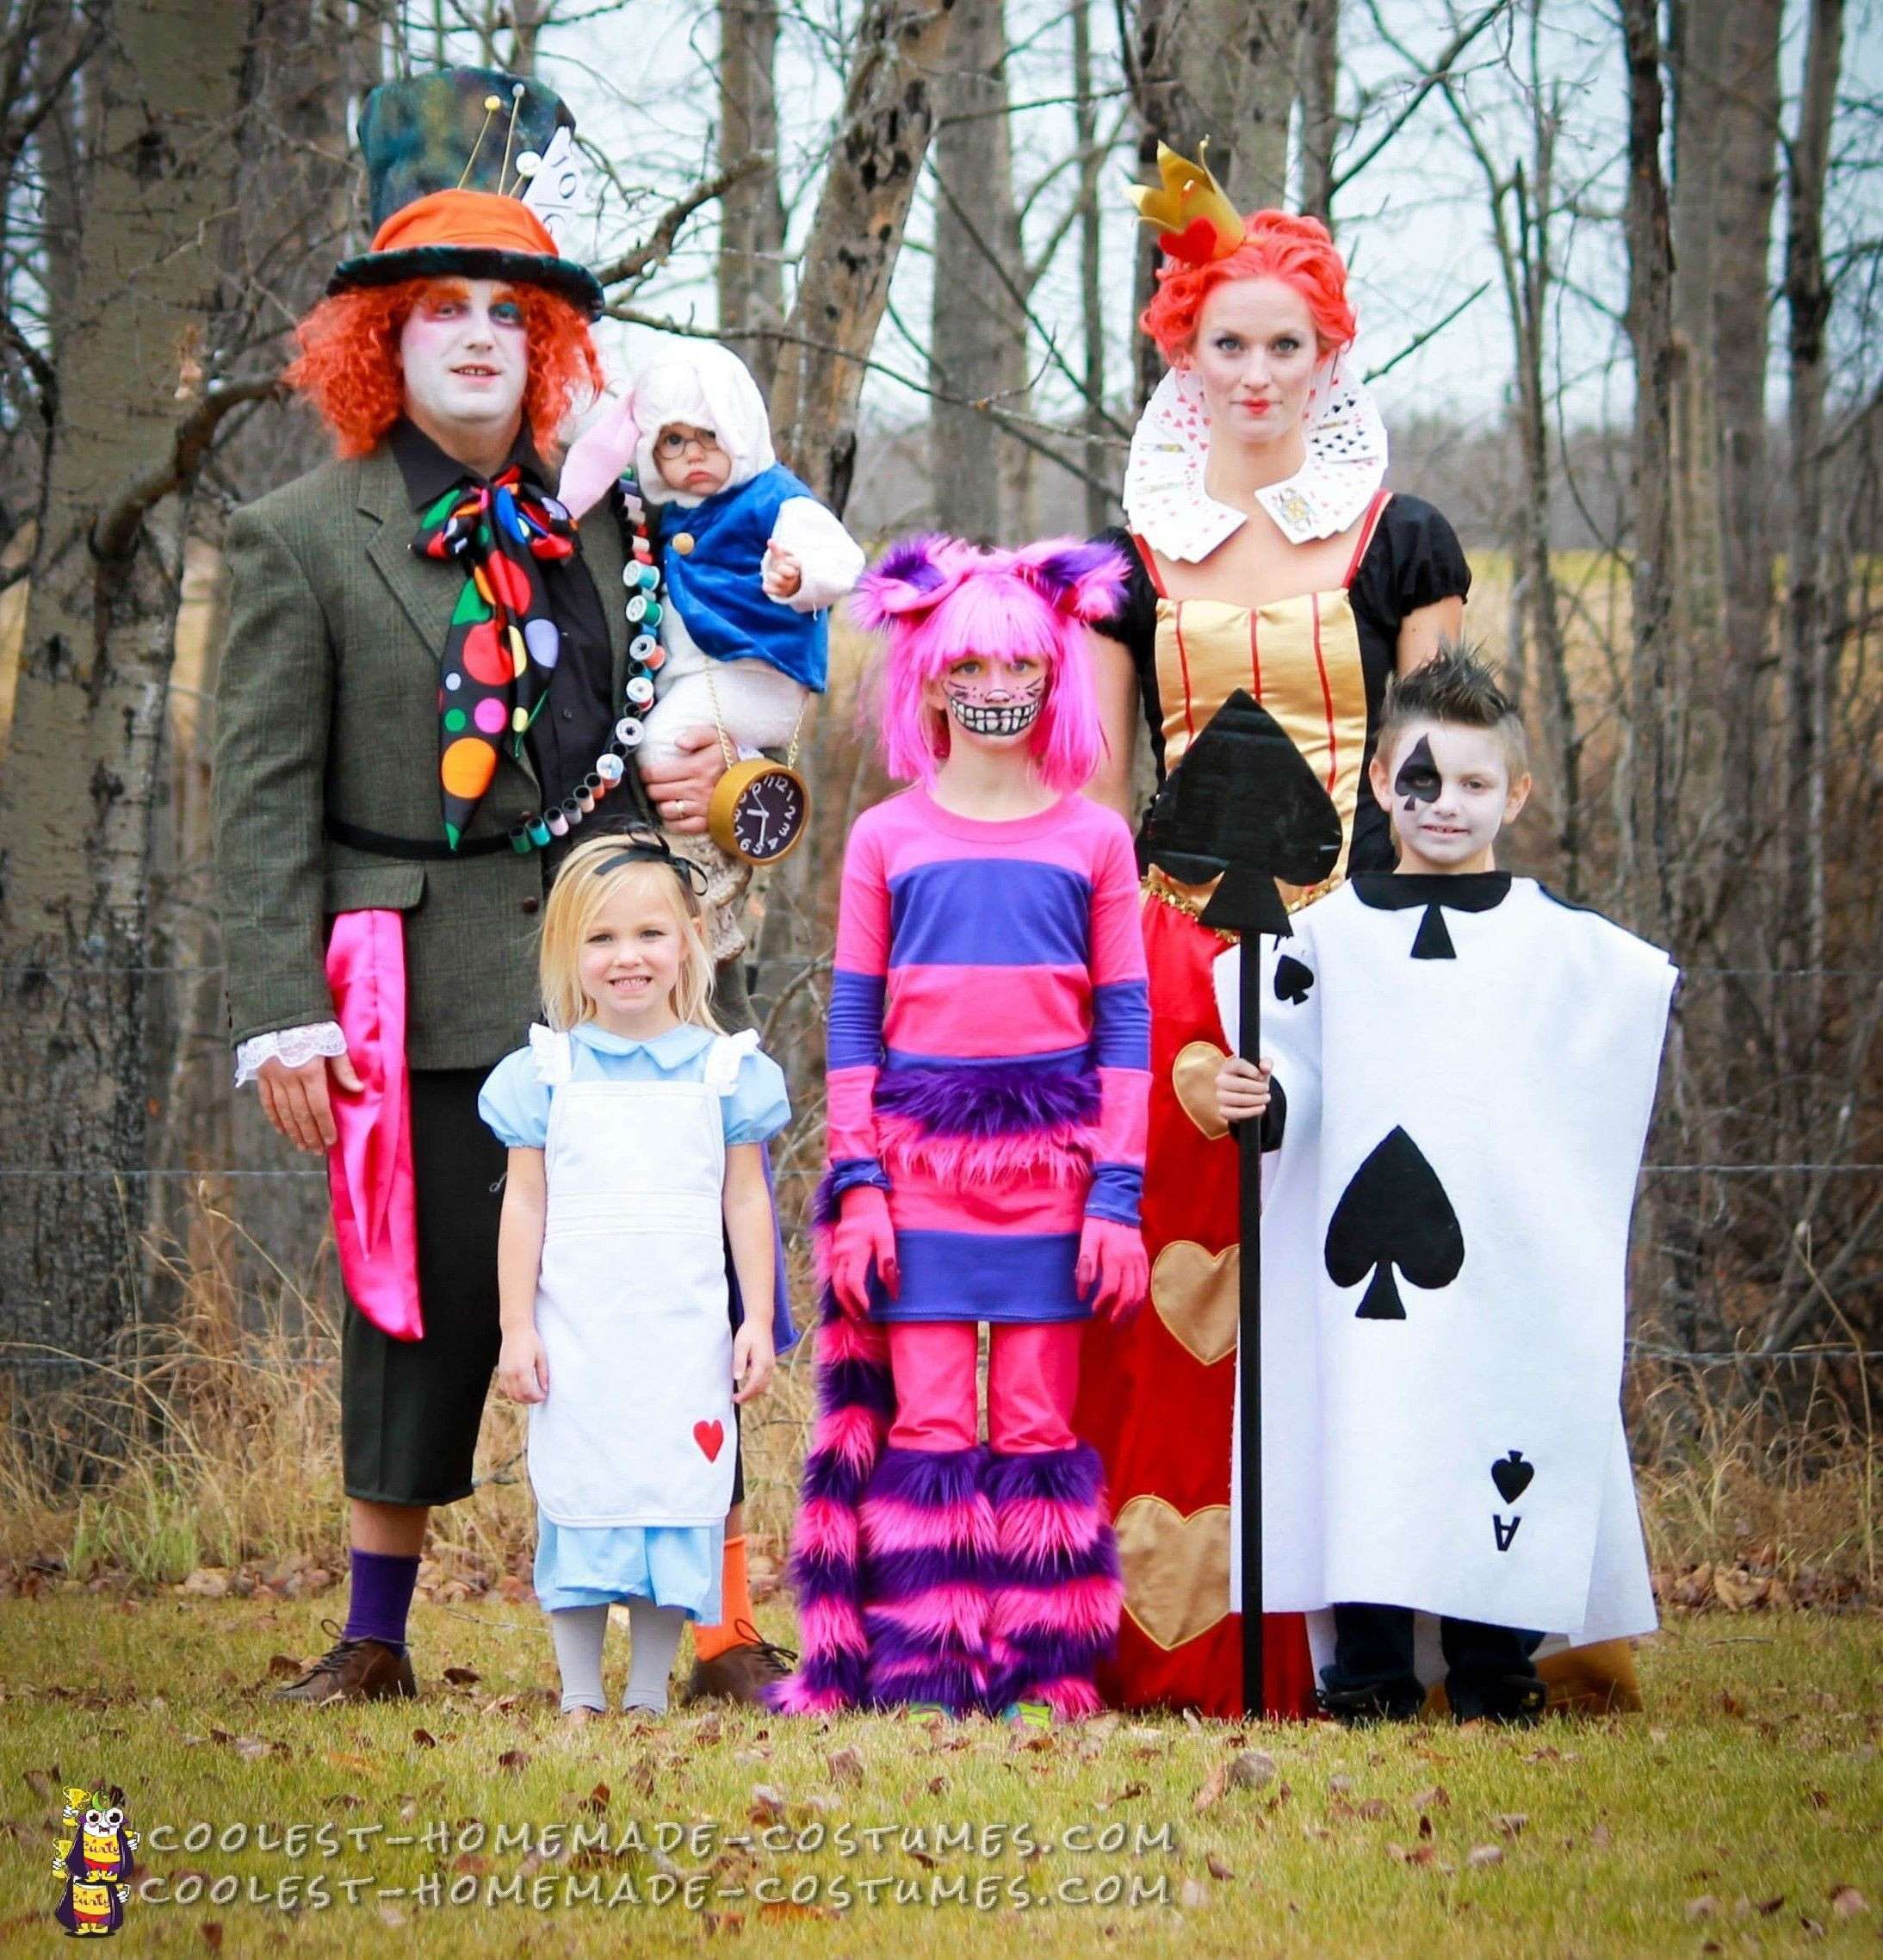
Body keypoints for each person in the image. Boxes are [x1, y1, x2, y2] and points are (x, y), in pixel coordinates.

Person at [212, 68, 787, 1705]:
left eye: (504, 311)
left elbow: (671, 721)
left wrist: (706, 789)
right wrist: (283, 1015)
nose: (474, 333)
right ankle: (373, 1635)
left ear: (540, 348)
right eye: (439, 307)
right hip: (414, 984)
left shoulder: (602, 529)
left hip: (619, 959)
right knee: (425, 1299)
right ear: (378, 342)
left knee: (677, 1267)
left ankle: (723, 1624)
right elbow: (258, 800)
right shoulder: (298, 538)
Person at [1074, 143, 1472, 1719]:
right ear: (1184, 351)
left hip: (1364, 952)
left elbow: (1447, 766)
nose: (1253, 373)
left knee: (1360, 1283)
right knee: (1189, 1288)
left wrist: (1449, 958)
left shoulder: (1400, 540)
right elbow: (1106, 795)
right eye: (1223, 342)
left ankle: (1382, 1639)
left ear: (1329, 357)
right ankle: (1176, 1634)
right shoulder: (1129, 558)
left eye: (1284, 345)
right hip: (1181, 966)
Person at [1214, 647, 1675, 1721]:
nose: (1446, 805)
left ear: (1516, 793)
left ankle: (1493, 1671)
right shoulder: (1318, 941)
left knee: (1492, 1429)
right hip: (1358, 1275)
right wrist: (1263, 1100)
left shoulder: (1565, 952)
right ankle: (1367, 1673)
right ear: (1381, 783)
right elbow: (1294, 1070)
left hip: (1504, 1265)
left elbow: (1608, 1041)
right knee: (1365, 1438)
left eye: (1474, 784)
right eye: (1422, 781)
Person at [771, 537, 1150, 1721]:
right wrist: (860, 1186)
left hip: (1050, 1179)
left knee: (1037, 1420)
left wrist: (1116, 1199)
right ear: (925, 679)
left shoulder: (1095, 840)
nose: (993, 685)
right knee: (928, 1420)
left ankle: (1044, 1667)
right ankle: (926, 1668)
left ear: (1054, 675)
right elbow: (850, 1024)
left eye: (1018, 663)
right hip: (917, 1180)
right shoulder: (889, 838)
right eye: (966, 664)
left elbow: (1125, 1033)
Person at [478, 832, 790, 1719]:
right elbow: (526, 1205)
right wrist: (517, 1326)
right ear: (569, 954)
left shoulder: (726, 1071)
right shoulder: (548, 1072)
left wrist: (756, 1319)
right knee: (582, 1499)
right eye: (602, 939)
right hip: (580, 1332)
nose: (627, 957)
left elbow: (745, 1203)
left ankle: (649, 1689)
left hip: (681, 1333)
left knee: (671, 1501)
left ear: (689, 939)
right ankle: (581, 1691)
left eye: (650, 933)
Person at [558, 339, 866, 955]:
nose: (692, 455)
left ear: (741, 428)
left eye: (708, 436)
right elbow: (604, 424)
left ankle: (707, 900)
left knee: (663, 748)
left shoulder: (770, 497)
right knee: (661, 741)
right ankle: (692, 891)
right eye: (672, 441)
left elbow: (839, 556)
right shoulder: (673, 509)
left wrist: (797, 576)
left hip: (756, 672)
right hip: (708, 678)